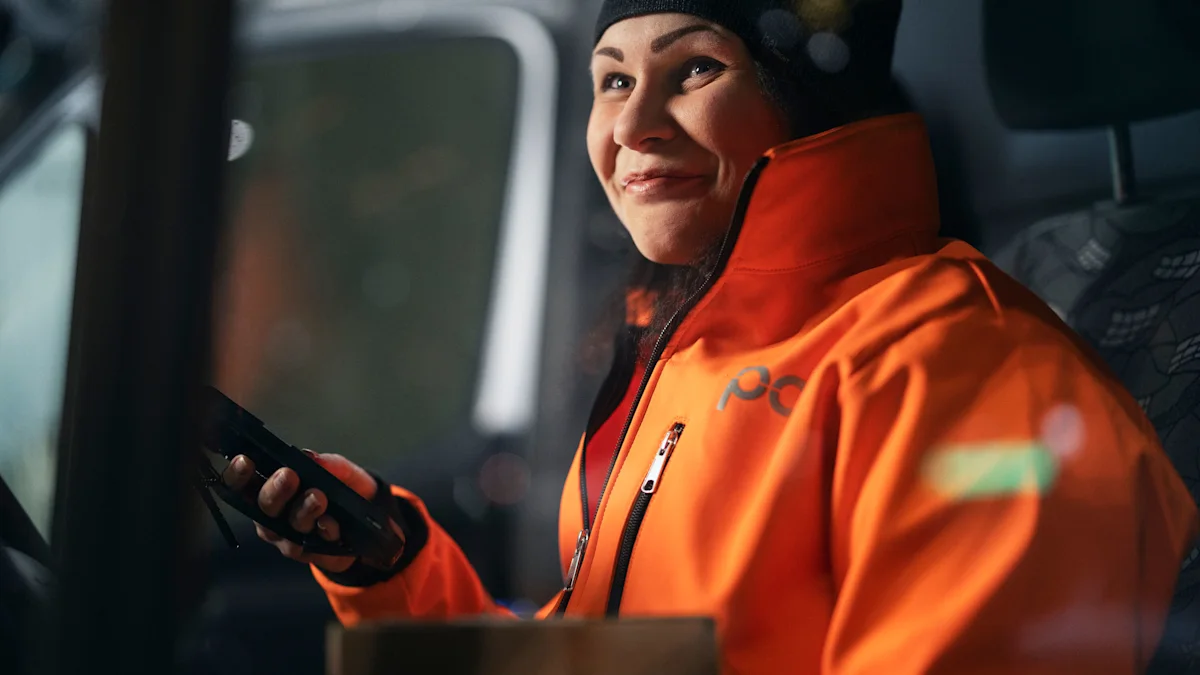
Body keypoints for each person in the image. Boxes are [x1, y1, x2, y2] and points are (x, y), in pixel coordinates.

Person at [222, 1, 1200, 671]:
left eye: (694, 69)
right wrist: (391, 565)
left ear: (803, 99)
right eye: (610, 81)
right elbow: (614, 643)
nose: (635, 124)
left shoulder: (973, 381)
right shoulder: (685, 354)